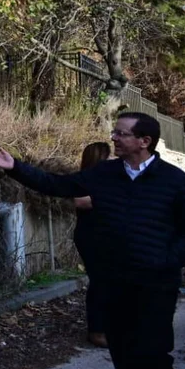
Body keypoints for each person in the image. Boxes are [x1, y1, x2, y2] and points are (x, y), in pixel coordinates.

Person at [0, 112, 185, 369]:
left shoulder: (174, 179)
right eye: (115, 132)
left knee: (154, 356)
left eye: (121, 133)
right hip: (113, 283)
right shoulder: (104, 174)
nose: (113, 137)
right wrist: (15, 167)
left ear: (144, 141)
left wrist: (168, 260)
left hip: (155, 285)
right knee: (124, 355)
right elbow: (57, 185)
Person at [74, 141, 112, 347]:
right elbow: (80, 201)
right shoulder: (86, 178)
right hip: (91, 237)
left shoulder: (111, 178)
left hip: (109, 237)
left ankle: (109, 325)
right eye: (110, 155)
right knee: (99, 283)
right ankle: (96, 331)